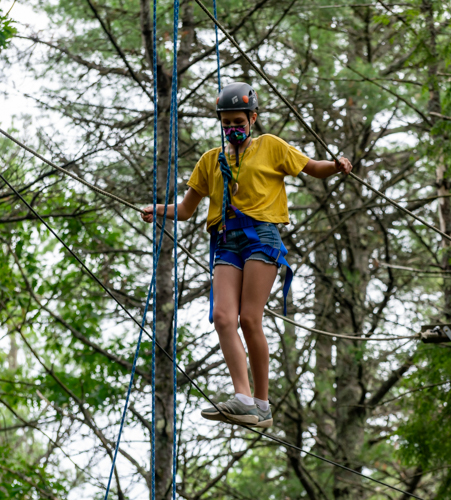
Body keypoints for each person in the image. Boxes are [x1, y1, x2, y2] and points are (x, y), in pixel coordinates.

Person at [141, 82, 352, 428]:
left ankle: (262, 404)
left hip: (261, 237)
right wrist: (157, 210)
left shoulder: (271, 147)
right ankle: (242, 398)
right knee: (223, 318)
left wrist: (336, 165)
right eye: (226, 123)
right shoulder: (212, 161)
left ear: (253, 118)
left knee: (250, 318)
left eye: (238, 121)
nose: (233, 129)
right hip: (226, 241)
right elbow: (185, 209)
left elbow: (312, 168)